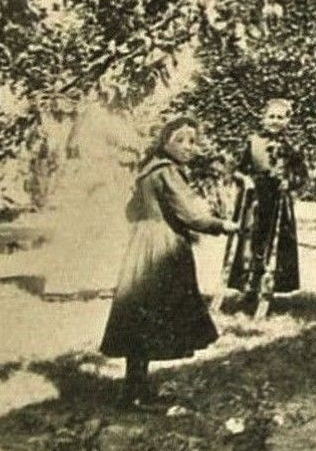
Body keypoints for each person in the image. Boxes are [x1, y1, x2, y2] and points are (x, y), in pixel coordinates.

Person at [99, 117, 238, 409]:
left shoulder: (147, 171)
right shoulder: (168, 173)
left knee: (141, 317)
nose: (189, 147)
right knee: (153, 316)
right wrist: (222, 225)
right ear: (165, 143)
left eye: (193, 141)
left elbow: (131, 211)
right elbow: (191, 214)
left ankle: (135, 390)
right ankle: (135, 396)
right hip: (163, 249)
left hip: (142, 246)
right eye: (181, 141)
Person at [224, 98, 306, 312]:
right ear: (263, 118)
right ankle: (248, 288)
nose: (275, 121)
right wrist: (246, 180)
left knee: (275, 243)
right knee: (252, 243)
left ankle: (268, 290)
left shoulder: (292, 147)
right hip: (255, 200)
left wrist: (291, 182)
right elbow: (237, 170)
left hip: (279, 200)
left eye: (280, 117)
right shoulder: (253, 142)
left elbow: (302, 175)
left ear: (287, 120)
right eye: (271, 116)